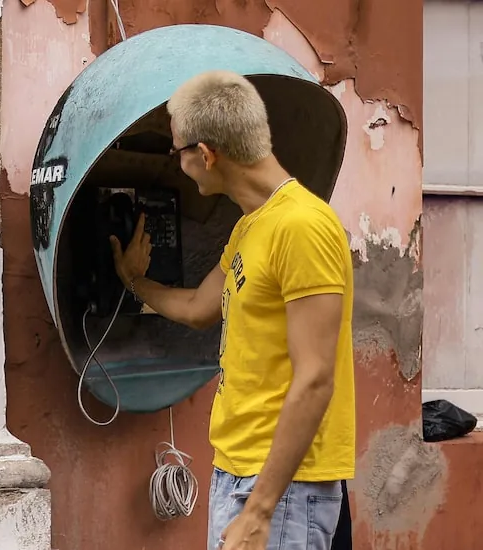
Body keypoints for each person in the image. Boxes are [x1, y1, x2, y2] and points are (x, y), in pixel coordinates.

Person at [110, 71, 355, 550]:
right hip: (240, 470)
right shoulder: (251, 227)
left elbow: (316, 378)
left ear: (206, 155)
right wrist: (134, 281)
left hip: (282, 488)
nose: (178, 164)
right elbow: (199, 308)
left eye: (177, 152)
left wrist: (260, 510)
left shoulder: (302, 226)